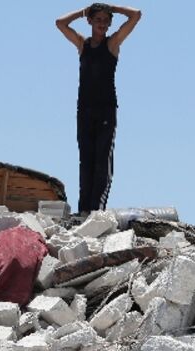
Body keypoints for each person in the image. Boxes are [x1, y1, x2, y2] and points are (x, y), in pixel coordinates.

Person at [55, 3, 142, 214]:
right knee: (86, 162)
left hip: (106, 111)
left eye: (105, 20)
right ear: (90, 22)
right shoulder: (82, 44)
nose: (102, 24)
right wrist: (85, 10)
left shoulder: (112, 44)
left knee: (102, 162)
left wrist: (110, 7)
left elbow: (136, 15)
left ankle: (97, 211)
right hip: (84, 111)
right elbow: (60, 23)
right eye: (98, 19)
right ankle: (83, 211)